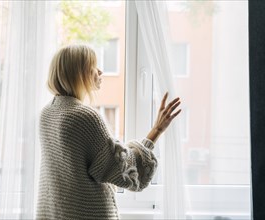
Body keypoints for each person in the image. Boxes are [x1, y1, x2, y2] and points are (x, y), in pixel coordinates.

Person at [36, 45, 181, 220]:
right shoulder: (84, 117)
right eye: (93, 67)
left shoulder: (48, 112)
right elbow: (125, 170)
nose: (100, 71)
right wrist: (156, 130)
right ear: (79, 74)